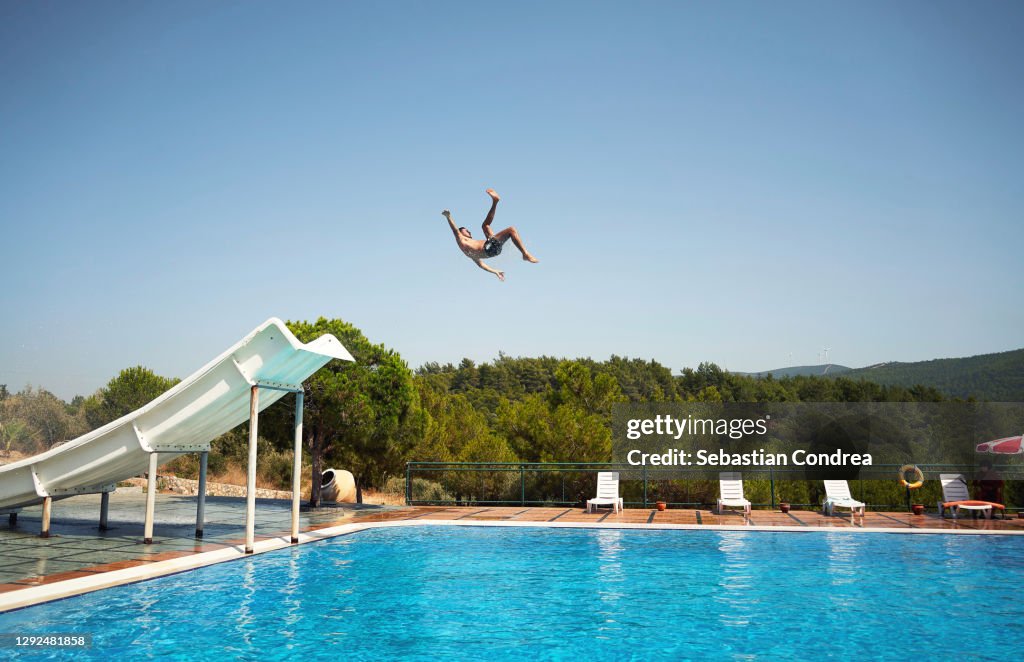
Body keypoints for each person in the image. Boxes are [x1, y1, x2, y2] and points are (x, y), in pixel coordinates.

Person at [442, 189, 539, 281]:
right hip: (489, 248)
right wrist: (448, 217)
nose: (469, 232)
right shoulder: (461, 240)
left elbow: (481, 265)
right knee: (511, 230)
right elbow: (455, 230)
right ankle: (525, 254)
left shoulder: (469, 250)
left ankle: (495, 202)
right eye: (466, 231)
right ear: (461, 233)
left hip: (492, 249)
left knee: (485, 226)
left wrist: (495, 271)